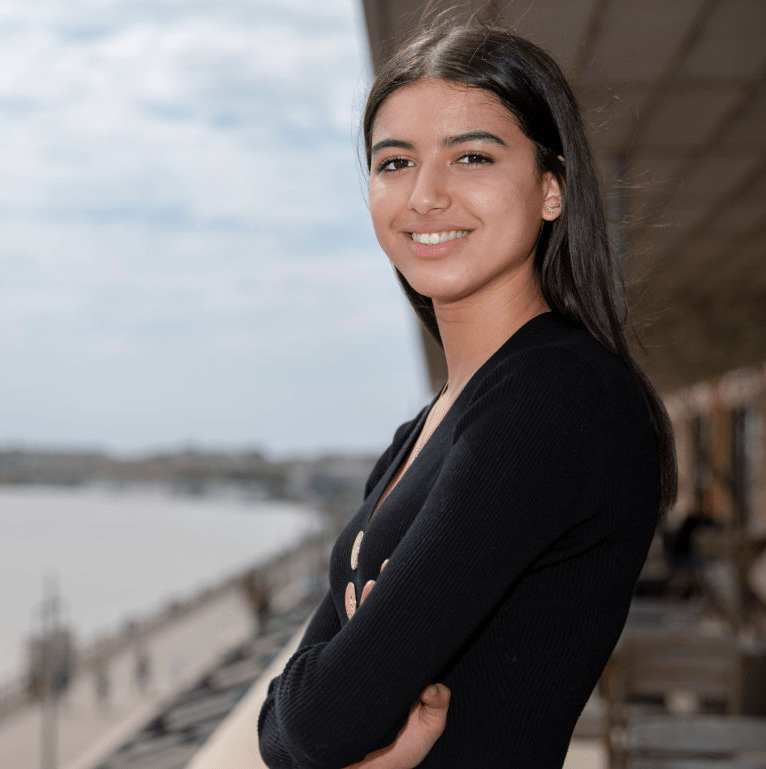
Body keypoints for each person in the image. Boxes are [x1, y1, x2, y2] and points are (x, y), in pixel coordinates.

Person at [257, 16, 677, 769]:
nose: (425, 196)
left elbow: (319, 723)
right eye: (394, 163)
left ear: (552, 188)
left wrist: (323, 691)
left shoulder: (558, 399)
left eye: (472, 156)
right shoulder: (422, 430)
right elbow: (290, 727)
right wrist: (320, 698)